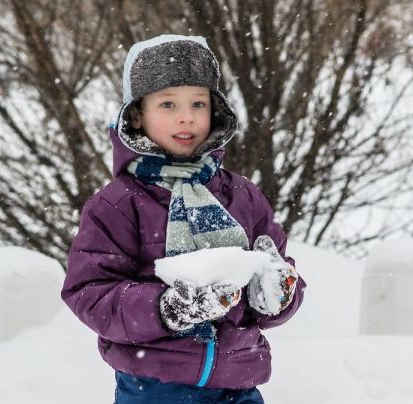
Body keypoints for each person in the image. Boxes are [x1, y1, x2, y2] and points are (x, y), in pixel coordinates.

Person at [61, 34, 306, 404]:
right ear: (138, 117)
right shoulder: (118, 204)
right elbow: (90, 292)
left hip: (238, 382)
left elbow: (280, 275)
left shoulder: (241, 196)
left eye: (198, 102)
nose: (186, 116)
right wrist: (167, 308)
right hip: (154, 386)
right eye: (168, 104)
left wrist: (278, 293)